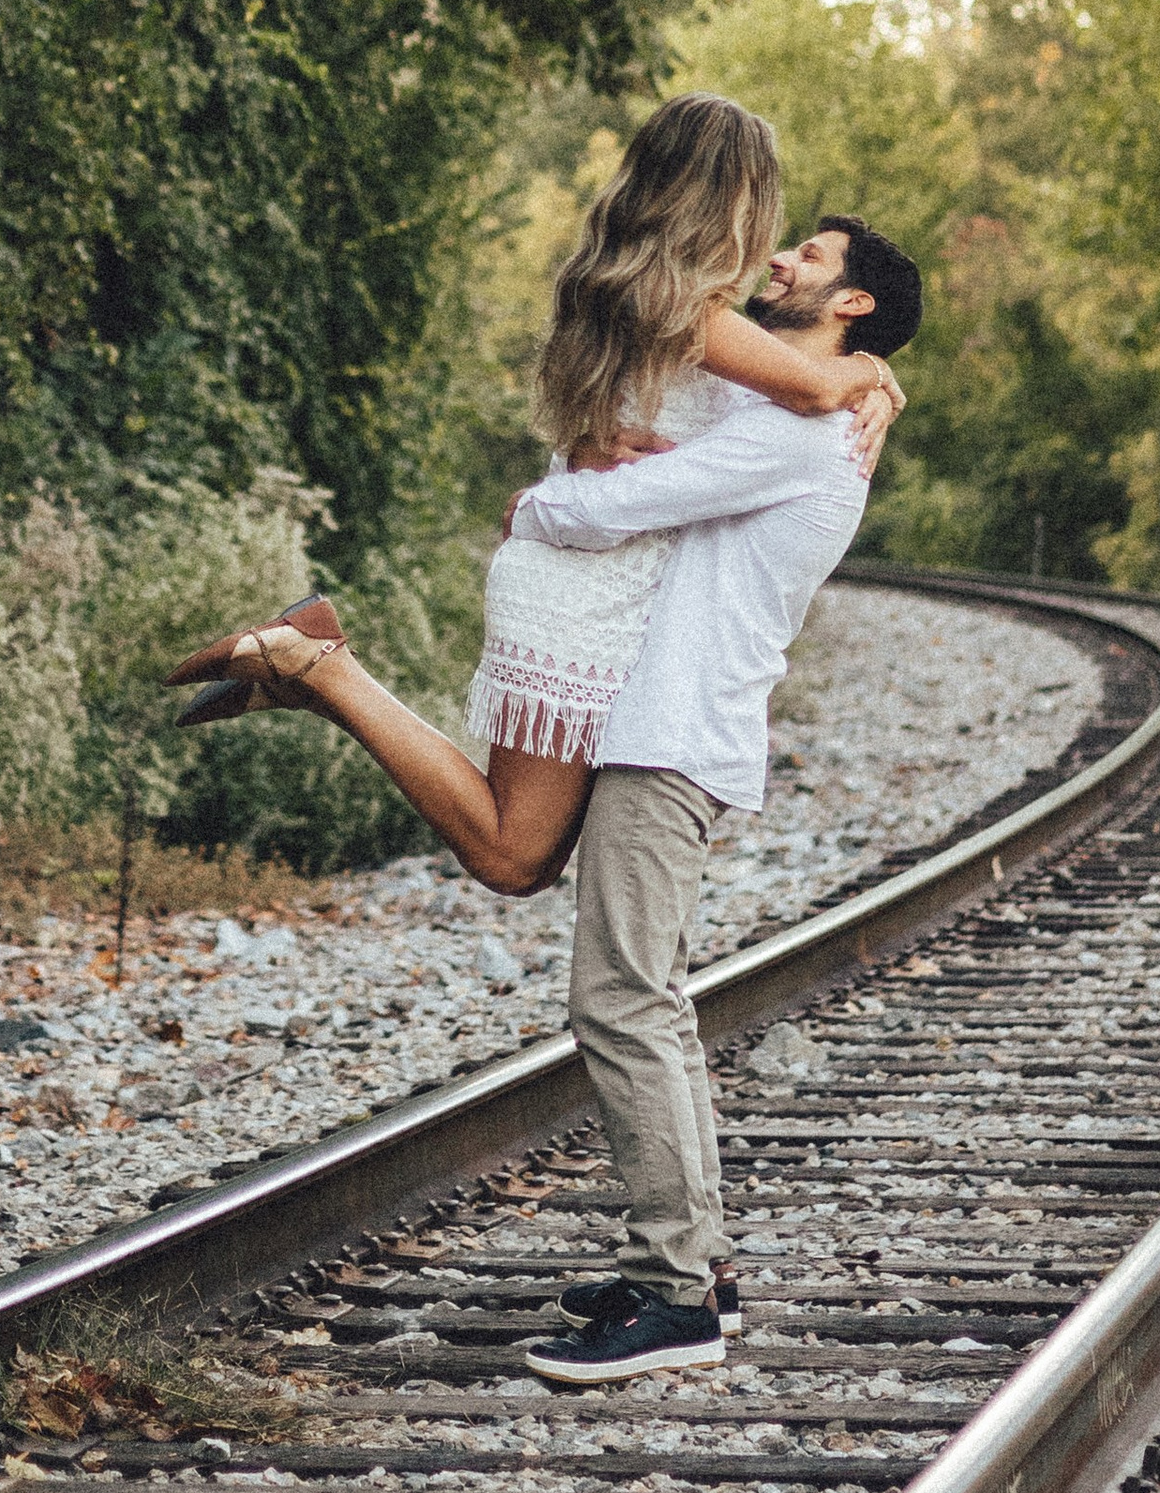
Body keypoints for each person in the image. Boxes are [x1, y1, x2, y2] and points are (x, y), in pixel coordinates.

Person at [166, 96, 903, 898]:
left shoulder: (634, 289)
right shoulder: (694, 313)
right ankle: (318, 665)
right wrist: (873, 373)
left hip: (581, 581)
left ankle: (311, 671)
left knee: (529, 854)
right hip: (584, 593)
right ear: (734, 199)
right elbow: (811, 386)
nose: (775, 243)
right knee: (514, 856)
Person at [508, 207, 923, 1383]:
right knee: (652, 1001)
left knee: (622, 1000)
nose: (779, 260)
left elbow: (614, 504)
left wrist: (536, 508)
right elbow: (664, 415)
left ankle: (673, 1293)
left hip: (671, 733)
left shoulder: (804, 434)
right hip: (665, 724)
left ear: (850, 306)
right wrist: (878, 381)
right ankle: (696, 1267)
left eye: (809, 258)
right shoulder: (807, 406)